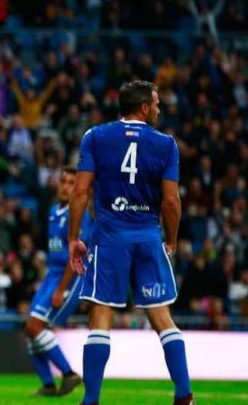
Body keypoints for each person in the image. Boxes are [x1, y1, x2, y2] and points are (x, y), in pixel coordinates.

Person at [68, 80, 194, 405]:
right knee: (162, 318)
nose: (159, 109)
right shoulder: (166, 144)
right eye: (157, 104)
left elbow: (80, 191)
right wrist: (171, 239)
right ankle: (184, 396)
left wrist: (73, 238)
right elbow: (171, 201)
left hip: (109, 239)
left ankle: (91, 400)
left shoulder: (95, 136)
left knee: (100, 316)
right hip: (148, 237)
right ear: (144, 107)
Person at [24, 166, 91, 397]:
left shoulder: (79, 213)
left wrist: (61, 290)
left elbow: (76, 255)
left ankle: (69, 374)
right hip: (52, 274)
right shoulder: (53, 211)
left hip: (69, 276)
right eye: (63, 181)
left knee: (35, 327)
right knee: (30, 329)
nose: (65, 187)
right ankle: (48, 385)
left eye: (72, 183)